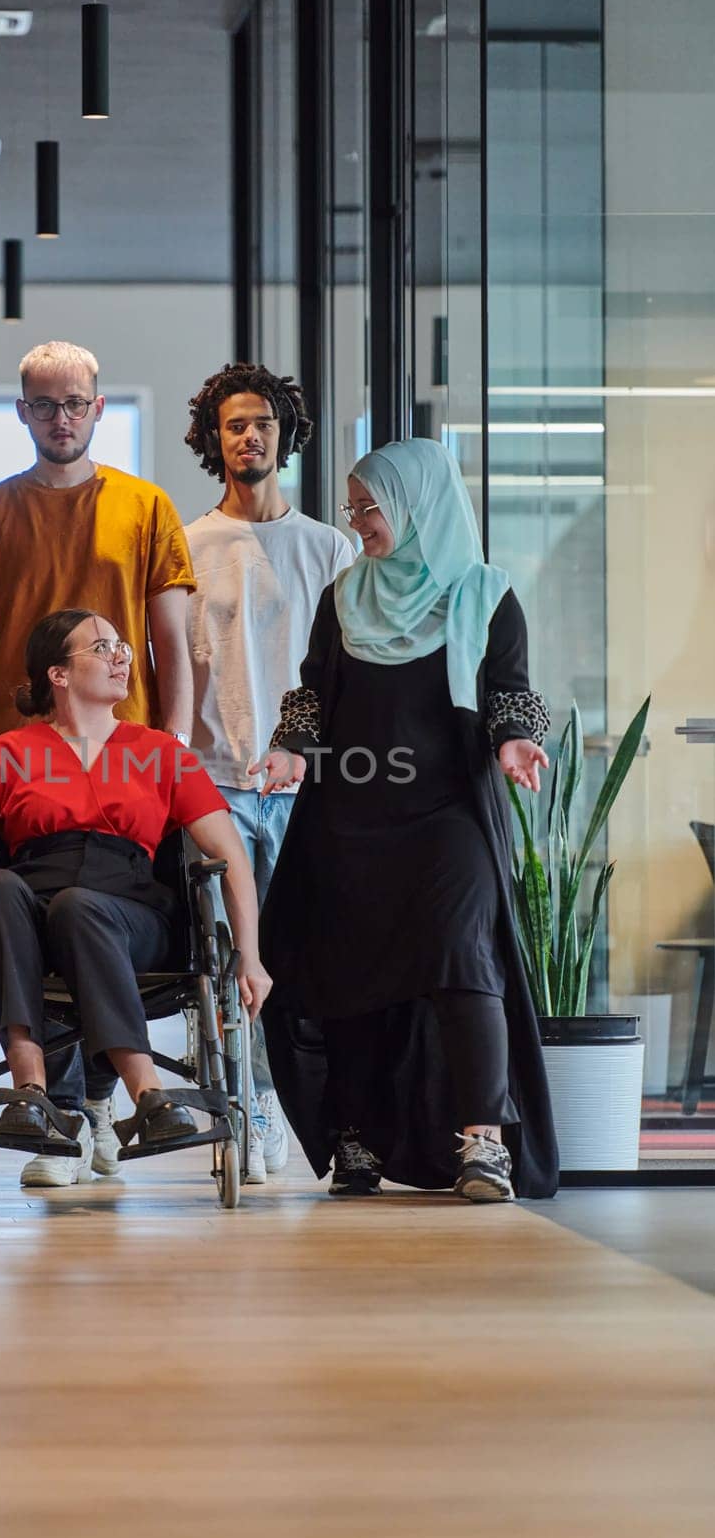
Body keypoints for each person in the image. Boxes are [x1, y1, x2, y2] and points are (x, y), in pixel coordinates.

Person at [254, 438, 559, 1203]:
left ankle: (483, 1143)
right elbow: (314, 694)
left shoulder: (486, 595)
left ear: (418, 504)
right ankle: (358, 1139)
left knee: (464, 958)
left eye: (370, 507)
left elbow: (509, 692)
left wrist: (517, 739)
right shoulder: (346, 595)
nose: (358, 521)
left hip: (448, 815)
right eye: (353, 506)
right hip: (349, 818)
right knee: (352, 977)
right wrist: (292, 748)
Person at [0, 339, 197, 1185]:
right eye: (46, 405)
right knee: (23, 912)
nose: (63, 418)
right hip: (26, 768)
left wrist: (178, 752)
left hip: (133, 771)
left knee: (98, 914)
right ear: (22, 412)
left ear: (98, 406)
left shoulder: (146, 506)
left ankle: (90, 1108)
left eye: (78, 403)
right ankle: (54, 1107)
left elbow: (172, 645)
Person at [0, 609, 270, 1181]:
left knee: (81, 907)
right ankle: (32, 1092)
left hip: (135, 917)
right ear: (57, 674)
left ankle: (148, 1095)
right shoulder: (9, 752)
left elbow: (230, 858)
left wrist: (248, 955)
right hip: (32, 909)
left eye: (122, 646)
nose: (121, 656)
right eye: (102, 648)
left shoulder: (162, 752)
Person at [182, 362, 355, 1183]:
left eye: (263, 424)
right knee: (229, 961)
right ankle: (251, 1107)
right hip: (216, 785)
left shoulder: (331, 548)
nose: (249, 437)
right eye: (233, 426)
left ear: (286, 434)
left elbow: (350, 676)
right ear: (214, 441)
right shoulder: (185, 549)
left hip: (309, 792)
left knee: (313, 961)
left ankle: (310, 1108)